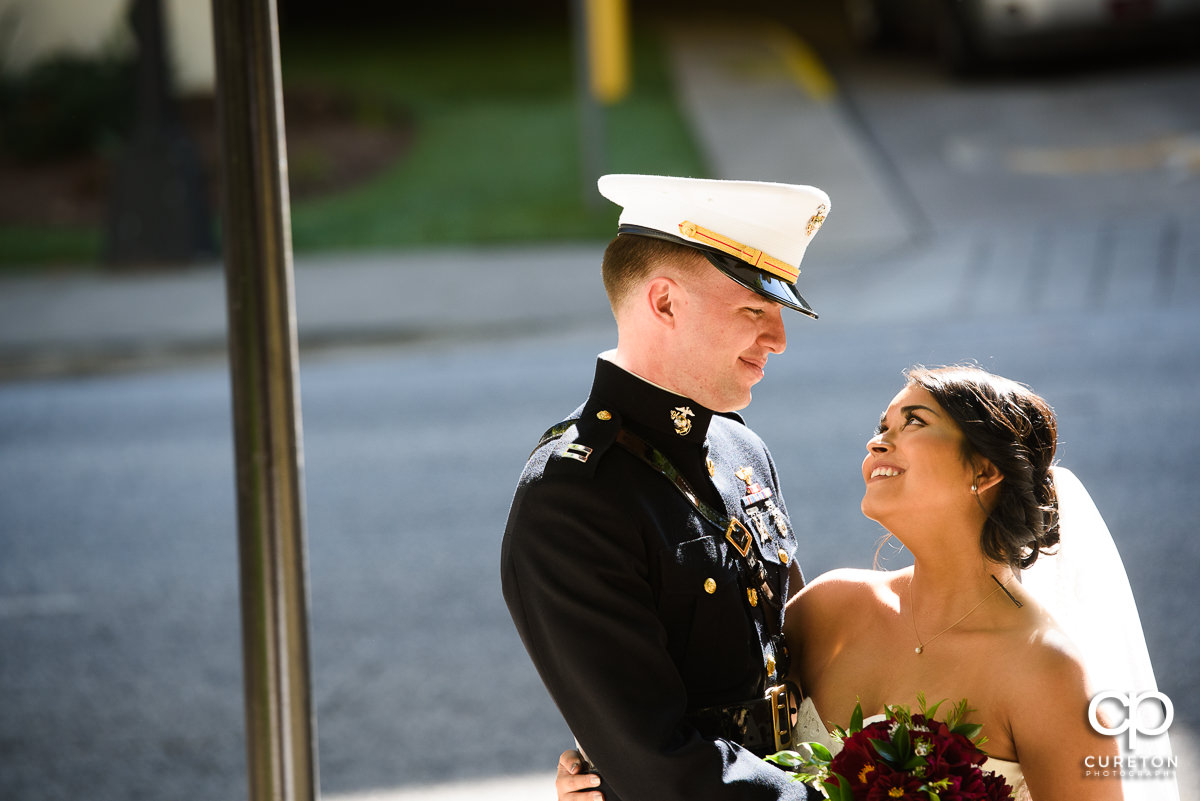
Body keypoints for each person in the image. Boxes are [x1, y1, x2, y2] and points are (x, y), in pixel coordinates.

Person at [558, 365, 1179, 800]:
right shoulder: (828, 609)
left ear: (984, 469)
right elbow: (703, 722)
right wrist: (606, 776)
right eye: (881, 423)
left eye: (913, 422)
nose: (878, 438)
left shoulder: (1049, 669)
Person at [501, 173, 833, 801]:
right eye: (754, 310)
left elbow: (796, 655)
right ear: (664, 302)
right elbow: (660, 763)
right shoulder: (574, 495)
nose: (779, 340)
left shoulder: (741, 449)